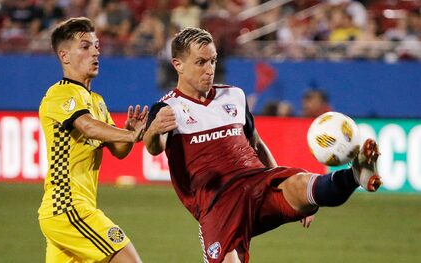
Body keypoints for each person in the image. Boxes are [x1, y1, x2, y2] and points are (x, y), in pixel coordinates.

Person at [143, 27, 382, 263]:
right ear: (178, 65)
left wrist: (285, 183)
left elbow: (256, 142)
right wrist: (152, 131)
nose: (210, 70)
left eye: (213, 61)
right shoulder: (167, 109)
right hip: (218, 203)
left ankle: (355, 175)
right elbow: (155, 147)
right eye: (201, 62)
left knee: (301, 183)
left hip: (256, 182)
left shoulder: (234, 96)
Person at [38, 17, 146, 263]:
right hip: (67, 207)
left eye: (96, 45)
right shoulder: (59, 94)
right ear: (65, 56)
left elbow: (118, 151)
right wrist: (130, 134)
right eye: (85, 46)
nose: (95, 52)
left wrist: (128, 134)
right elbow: (87, 126)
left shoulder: (96, 101)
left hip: (70, 211)